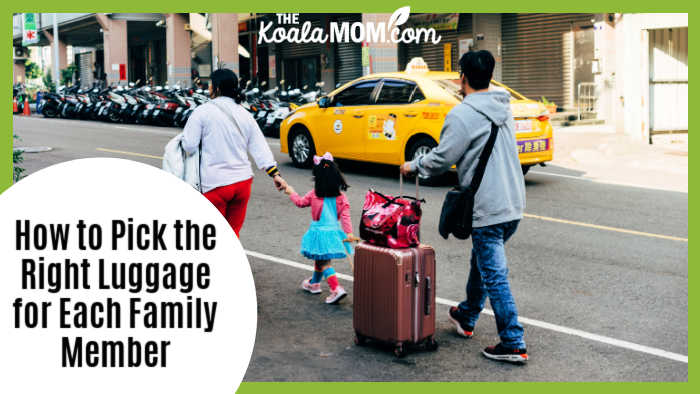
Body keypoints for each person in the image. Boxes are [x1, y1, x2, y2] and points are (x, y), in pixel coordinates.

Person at [400, 50, 528, 364]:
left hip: (489, 208)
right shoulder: (503, 107)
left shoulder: (462, 114)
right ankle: (467, 315)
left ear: (463, 78)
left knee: (494, 274)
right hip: (513, 204)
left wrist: (413, 166)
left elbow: (443, 157)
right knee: (482, 262)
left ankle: (513, 341)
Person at [181, 68, 287, 237]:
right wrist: (275, 174)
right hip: (242, 183)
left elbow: (188, 146)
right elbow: (259, 146)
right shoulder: (244, 114)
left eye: (210, 84)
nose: (208, 88)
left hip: (215, 184)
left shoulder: (202, 112)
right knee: (232, 234)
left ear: (216, 88)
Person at [284, 152, 359, 304]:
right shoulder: (341, 197)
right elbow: (345, 216)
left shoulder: (314, 194)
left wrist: (291, 192)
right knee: (321, 259)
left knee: (325, 263)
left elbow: (300, 202)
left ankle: (336, 288)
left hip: (319, 233)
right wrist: (349, 232)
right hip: (334, 234)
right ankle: (314, 284)